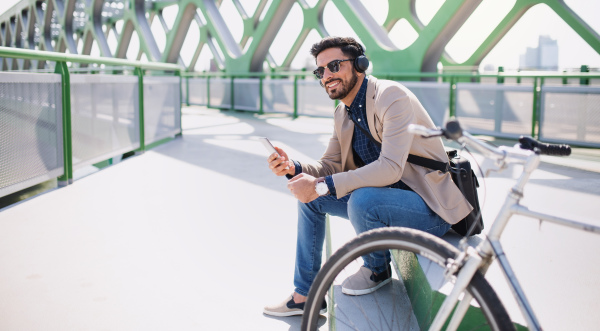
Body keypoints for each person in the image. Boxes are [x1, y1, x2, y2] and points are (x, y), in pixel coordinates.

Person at [262, 36, 472, 317]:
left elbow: (390, 168)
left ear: (360, 65)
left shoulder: (391, 97)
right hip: (385, 202)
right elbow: (330, 166)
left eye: (334, 66)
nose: (326, 76)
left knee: (361, 200)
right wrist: (294, 167)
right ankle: (305, 294)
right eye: (320, 71)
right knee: (312, 199)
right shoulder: (342, 113)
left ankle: (377, 269)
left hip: (428, 208)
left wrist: (322, 185)